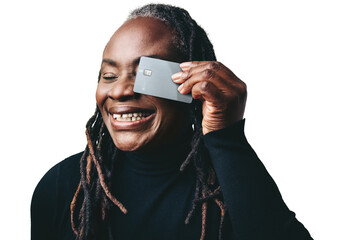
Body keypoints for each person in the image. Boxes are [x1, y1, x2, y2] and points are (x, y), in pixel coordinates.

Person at [31, 3, 313, 240]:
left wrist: (226, 135)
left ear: (193, 82)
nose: (119, 91)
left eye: (147, 74)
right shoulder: (64, 187)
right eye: (109, 76)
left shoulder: (230, 188)